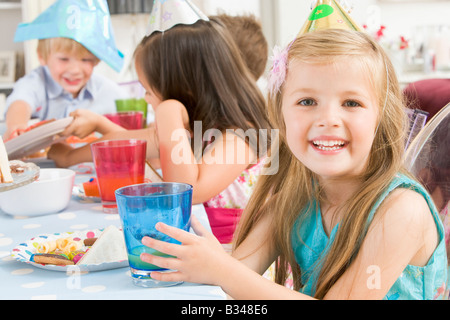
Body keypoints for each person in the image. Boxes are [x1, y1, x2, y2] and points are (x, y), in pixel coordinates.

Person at [138, 29, 448, 300]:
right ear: (280, 115)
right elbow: (233, 276)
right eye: (307, 101)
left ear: (380, 117)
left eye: (351, 103)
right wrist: (198, 260)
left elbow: (229, 274)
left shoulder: (401, 210)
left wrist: (220, 268)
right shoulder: (295, 199)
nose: (328, 119)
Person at [48, 18, 273, 247]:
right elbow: (125, 143)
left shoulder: (242, 136)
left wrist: (168, 112)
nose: (146, 98)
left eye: (148, 90)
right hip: (191, 252)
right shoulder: (197, 125)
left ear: (184, 88)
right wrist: (67, 156)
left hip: (233, 262)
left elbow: (186, 193)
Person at [3, 0, 125, 140]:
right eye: (64, 59)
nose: (74, 70)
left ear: (97, 60)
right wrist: (17, 125)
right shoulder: (36, 82)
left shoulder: (107, 90)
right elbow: (20, 102)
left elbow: (141, 119)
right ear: (42, 56)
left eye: (85, 60)